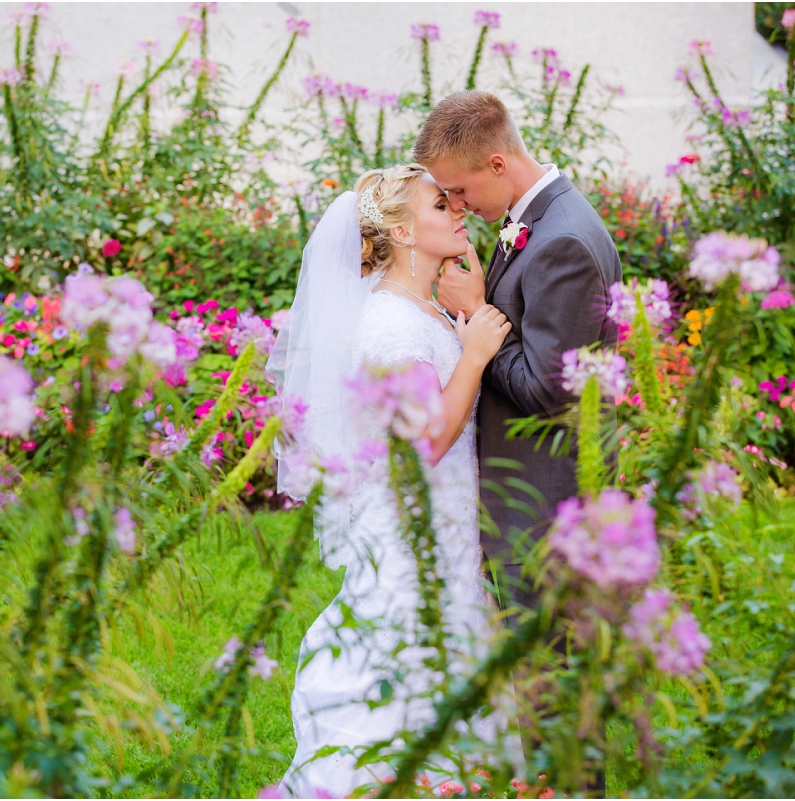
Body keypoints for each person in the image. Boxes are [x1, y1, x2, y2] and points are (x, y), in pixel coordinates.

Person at [268, 164, 519, 799]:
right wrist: (476, 355)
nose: (458, 209)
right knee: (404, 692)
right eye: (441, 204)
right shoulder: (387, 323)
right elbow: (424, 443)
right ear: (403, 232)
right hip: (415, 537)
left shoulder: (423, 309)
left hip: (450, 529)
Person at [413, 90, 622, 789]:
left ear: (498, 162)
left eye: (462, 188)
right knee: (544, 694)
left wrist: (478, 314)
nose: (460, 204)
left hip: (548, 513)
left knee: (559, 699)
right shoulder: (540, 223)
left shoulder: (563, 240)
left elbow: (547, 393)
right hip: (530, 503)